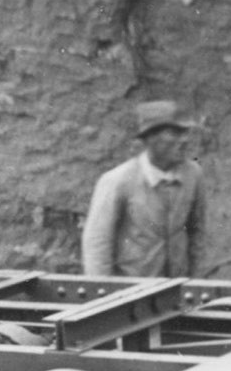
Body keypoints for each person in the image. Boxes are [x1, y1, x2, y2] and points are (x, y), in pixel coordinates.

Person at [81, 100, 206, 278]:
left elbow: (197, 233)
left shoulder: (193, 175)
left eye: (185, 132)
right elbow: (97, 244)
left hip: (177, 286)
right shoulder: (118, 181)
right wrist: (105, 290)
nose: (184, 140)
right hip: (131, 289)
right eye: (174, 133)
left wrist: (194, 282)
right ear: (151, 138)